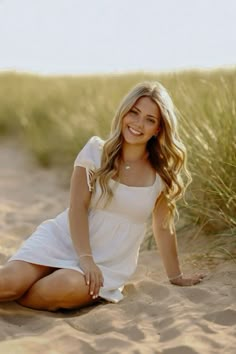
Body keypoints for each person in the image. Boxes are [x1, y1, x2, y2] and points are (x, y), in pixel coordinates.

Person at [0, 81, 205, 312]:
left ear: (158, 129)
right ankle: (21, 285)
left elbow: (163, 227)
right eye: (134, 113)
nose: (138, 124)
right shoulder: (95, 152)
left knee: (63, 285)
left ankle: (25, 292)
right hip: (64, 240)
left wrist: (176, 275)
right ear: (124, 112)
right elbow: (77, 206)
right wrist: (85, 258)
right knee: (9, 282)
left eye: (150, 119)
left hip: (107, 263)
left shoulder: (161, 175)